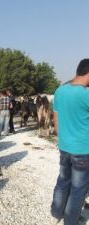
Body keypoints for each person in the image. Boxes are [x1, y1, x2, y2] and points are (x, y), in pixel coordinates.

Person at [51, 59, 89, 225]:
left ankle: (56, 212)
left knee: (62, 180)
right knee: (78, 188)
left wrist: (63, 140)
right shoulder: (86, 95)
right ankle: (71, 221)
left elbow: (56, 119)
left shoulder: (60, 91)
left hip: (64, 147)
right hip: (83, 149)